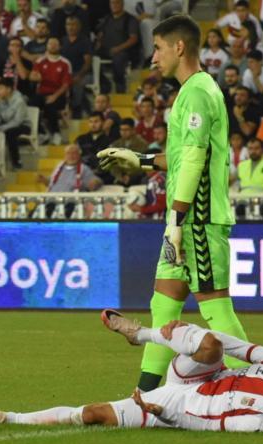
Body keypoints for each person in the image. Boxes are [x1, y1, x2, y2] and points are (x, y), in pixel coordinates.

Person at [97, 15, 251, 392]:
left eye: (158, 48)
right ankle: (146, 394)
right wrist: (139, 159)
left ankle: (259, 388)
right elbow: (181, 158)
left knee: (216, 308)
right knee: (163, 304)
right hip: (183, 220)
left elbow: (194, 161)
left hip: (198, 221)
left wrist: (177, 222)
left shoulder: (198, 92)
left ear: (179, 47)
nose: (153, 58)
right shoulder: (192, 91)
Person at [0, 311, 263, 434]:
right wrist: (189, 335)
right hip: (201, 372)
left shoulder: (259, 421)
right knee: (212, 345)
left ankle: (8, 417)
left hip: (180, 401)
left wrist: (165, 414)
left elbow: (205, 423)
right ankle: (139, 334)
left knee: (93, 414)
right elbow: (236, 345)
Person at [29, 36, 71, 145]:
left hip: (58, 94)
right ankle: (41, 133)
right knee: (31, 104)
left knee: (50, 105)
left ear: (60, 46)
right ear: (47, 46)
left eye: (55, 44)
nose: (52, 46)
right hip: (42, 93)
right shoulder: (40, 61)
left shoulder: (65, 63)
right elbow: (33, 76)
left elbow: (66, 85)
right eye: (50, 43)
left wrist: (54, 96)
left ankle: (56, 133)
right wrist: (34, 77)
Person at [95, 0, 140, 94]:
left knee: (118, 59)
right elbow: (100, 34)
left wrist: (118, 48)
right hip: (106, 50)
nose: (114, 5)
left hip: (123, 51)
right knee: (91, 57)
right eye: (112, 3)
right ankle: (104, 84)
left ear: (122, 4)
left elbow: (133, 39)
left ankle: (120, 87)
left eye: (117, 3)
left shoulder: (130, 19)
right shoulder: (107, 19)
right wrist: (98, 43)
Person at [0, 77, 29, 170]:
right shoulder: (0, 100)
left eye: (1, 88)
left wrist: (2, 128)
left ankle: (16, 162)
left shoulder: (19, 101)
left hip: (23, 125)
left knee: (10, 133)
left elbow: (17, 121)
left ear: (8, 89)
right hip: (6, 124)